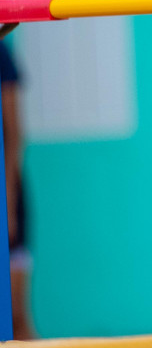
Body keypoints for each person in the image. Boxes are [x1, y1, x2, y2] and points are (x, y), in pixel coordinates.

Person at [1, 41, 33, 338]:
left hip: (6, 190)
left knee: (15, 317)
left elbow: (13, 131)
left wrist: (8, 201)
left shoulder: (0, 52)